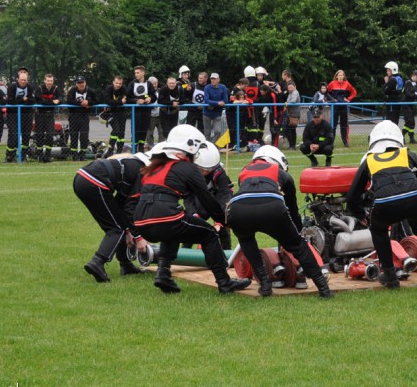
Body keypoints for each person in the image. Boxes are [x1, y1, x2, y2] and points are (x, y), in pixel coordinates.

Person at [128, 125, 251, 295]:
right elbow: (207, 200)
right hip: (165, 216)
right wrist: (224, 221)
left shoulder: (156, 165)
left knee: (170, 232)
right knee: (208, 234)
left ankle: (163, 274)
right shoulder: (188, 168)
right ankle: (224, 282)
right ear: (190, 148)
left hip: (141, 220)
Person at [346, 121, 417, 291]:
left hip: (385, 203)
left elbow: (351, 197)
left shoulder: (369, 160)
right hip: (416, 197)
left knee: (378, 231)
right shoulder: (406, 154)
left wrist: (361, 215)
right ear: (398, 140)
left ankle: (390, 275)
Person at [227, 145, 334, 298]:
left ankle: (264, 285)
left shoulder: (244, 171)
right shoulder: (281, 173)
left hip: (238, 209)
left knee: (246, 241)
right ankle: (323, 289)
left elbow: (249, 196)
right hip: (272, 207)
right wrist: (297, 234)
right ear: (278, 162)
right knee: (298, 245)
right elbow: (292, 209)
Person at [75, 152, 150, 282]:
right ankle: (97, 262)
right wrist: (138, 237)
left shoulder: (132, 166)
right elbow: (130, 208)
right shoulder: (143, 172)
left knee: (119, 226)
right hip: (94, 181)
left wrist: (129, 231)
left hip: (82, 178)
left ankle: (126, 265)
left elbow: (121, 204)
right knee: (116, 229)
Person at [193, 142, 234, 250]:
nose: (205, 172)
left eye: (208, 170)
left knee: (223, 228)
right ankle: (186, 251)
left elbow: (224, 194)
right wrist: (193, 214)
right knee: (193, 224)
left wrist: (219, 220)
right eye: (202, 169)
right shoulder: (190, 172)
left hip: (221, 197)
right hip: (202, 196)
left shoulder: (219, 173)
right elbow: (189, 195)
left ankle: (227, 253)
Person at [5, 68, 35, 162]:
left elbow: (33, 100)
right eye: (21, 80)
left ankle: (23, 155)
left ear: (27, 80)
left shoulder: (30, 87)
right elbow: (10, 101)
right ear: (18, 79)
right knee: (13, 135)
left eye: (25, 80)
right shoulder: (12, 87)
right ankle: (10, 156)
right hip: (13, 114)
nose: (23, 81)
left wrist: (21, 100)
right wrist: (23, 99)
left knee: (26, 135)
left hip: (27, 114)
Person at [66, 76, 97, 162]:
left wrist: (89, 102)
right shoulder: (72, 90)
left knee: (84, 136)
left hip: (84, 116)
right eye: (79, 83)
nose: (81, 84)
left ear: (85, 82)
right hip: (73, 116)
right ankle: (74, 155)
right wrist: (81, 103)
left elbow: (97, 101)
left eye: (82, 82)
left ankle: (82, 154)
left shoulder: (90, 91)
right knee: (74, 136)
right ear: (76, 84)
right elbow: (69, 101)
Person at [127, 66, 156, 152]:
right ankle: (134, 149)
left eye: (138, 73)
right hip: (135, 111)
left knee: (144, 130)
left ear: (143, 73)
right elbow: (127, 98)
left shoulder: (149, 84)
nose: (136, 75)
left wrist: (150, 99)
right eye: (135, 73)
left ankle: (141, 148)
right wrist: (136, 101)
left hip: (146, 111)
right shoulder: (132, 84)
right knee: (135, 130)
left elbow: (154, 96)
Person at [34, 73, 61, 162]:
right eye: (48, 81)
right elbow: (39, 101)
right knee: (39, 135)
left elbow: (61, 98)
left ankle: (48, 155)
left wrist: (58, 100)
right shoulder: (39, 89)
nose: (50, 82)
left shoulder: (56, 89)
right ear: (45, 80)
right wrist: (52, 102)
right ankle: (40, 155)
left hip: (50, 115)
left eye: (51, 81)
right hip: (40, 114)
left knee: (50, 135)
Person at [327, 70, 357, 147]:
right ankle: (331, 142)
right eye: (339, 75)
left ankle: (345, 142)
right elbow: (326, 92)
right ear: (336, 76)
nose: (340, 76)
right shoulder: (332, 83)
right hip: (335, 106)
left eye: (342, 75)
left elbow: (354, 92)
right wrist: (331, 100)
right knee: (333, 125)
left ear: (344, 76)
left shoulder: (347, 84)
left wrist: (349, 99)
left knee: (344, 125)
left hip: (344, 106)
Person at [102, 75, 129, 156]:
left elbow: (124, 100)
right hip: (112, 114)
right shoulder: (109, 89)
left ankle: (119, 151)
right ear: (113, 82)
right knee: (116, 130)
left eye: (120, 83)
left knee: (121, 133)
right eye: (116, 83)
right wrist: (120, 102)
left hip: (122, 113)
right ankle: (110, 150)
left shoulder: (124, 89)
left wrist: (115, 102)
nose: (118, 85)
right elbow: (107, 100)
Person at [203, 72, 230, 143]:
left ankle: (212, 145)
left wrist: (214, 103)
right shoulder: (207, 87)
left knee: (218, 131)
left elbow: (226, 100)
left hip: (217, 113)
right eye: (211, 79)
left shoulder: (223, 87)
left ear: (218, 80)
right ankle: (207, 147)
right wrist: (218, 103)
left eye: (214, 79)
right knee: (207, 133)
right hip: (207, 113)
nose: (213, 80)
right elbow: (206, 100)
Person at [401, 69, 417, 144]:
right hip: (405, 104)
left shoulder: (414, 84)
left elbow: (415, 94)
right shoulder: (408, 83)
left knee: (412, 122)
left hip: (410, 105)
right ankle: (402, 134)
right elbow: (408, 94)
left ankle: (411, 138)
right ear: (413, 76)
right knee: (409, 121)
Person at [157, 75, 182, 140]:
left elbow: (183, 99)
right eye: (170, 83)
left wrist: (179, 102)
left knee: (173, 131)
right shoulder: (163, 89)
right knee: (166, 131)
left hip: (174, 112)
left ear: (175, 83)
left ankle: (172, 145)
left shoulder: (179, 89)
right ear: (167, 83)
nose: (171, 85)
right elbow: (160, 100)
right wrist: (171, 103)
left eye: (173, 83)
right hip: (164, 113)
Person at [383, 61, 405, 125]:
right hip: (398, 103)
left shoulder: (392, 80)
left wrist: (386, 82)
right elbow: (402, 90)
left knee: (389, 123)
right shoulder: (400, 79)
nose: (387, 72)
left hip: (391, 104)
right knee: (395, 121)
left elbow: (385, 91)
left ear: (392, 70)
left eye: (388, 70)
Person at [282, 81, 302, 149]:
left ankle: (292, 145)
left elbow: (293, 101)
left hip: (294, 114)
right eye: (289, 88)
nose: (290, 89)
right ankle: (292, 145)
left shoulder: (295, 92)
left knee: (289, 130)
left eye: (291, 87)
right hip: (290, 113)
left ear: (294, 86)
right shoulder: (290, 93)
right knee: (292, 130)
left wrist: (287, 103)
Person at [145, 76, 161, 147]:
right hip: (150, 116)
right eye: (152, 84)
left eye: (155, 83)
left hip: (160, 115)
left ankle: (161, 147)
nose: (154, 85)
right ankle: (150, 146)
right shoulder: (146, 93)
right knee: (150, 133)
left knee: (161, 132)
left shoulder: (160, 91)